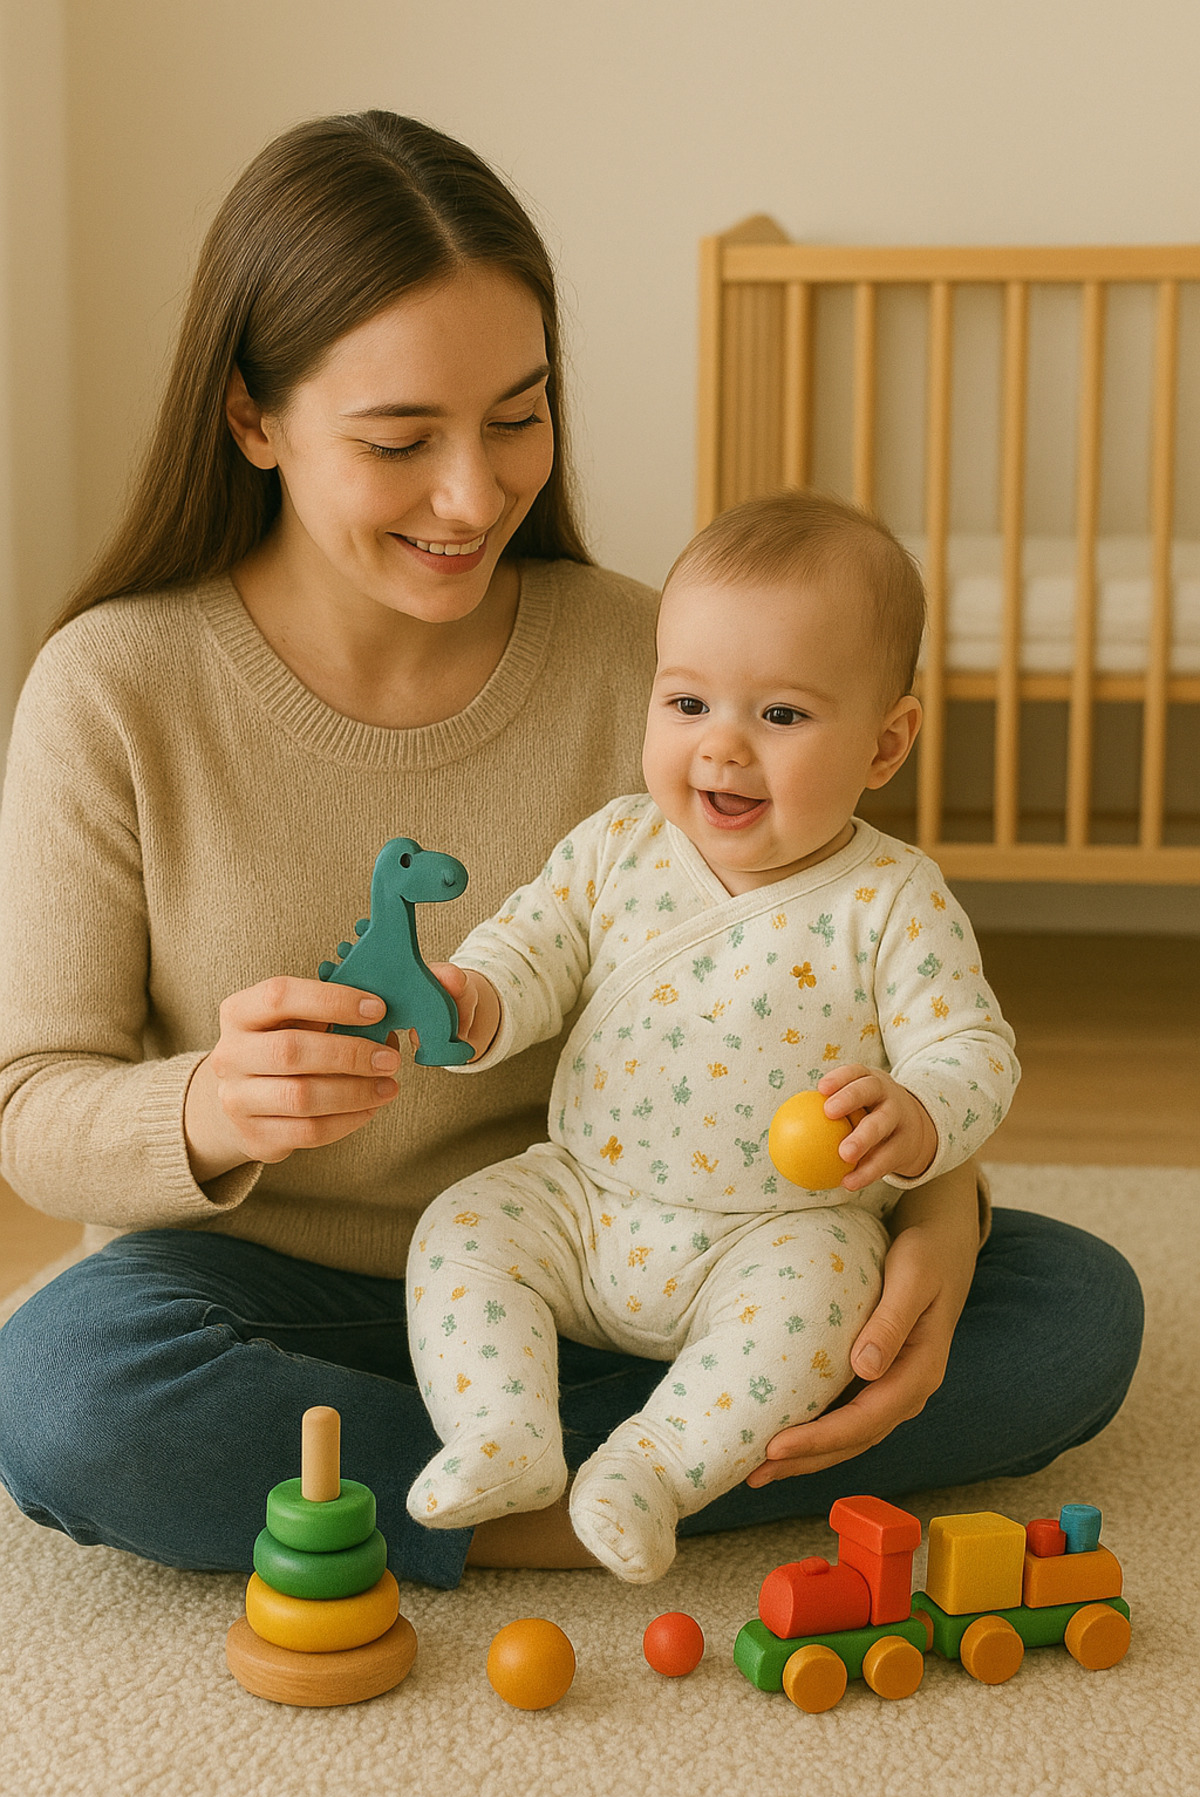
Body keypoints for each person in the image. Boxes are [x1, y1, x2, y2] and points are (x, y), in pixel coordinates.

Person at [0, 112, 1142, 1591]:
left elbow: (858, 986)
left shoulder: (653, 669)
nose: (475, 495)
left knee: (1072, 1310)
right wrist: (213, 1107)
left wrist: (936, 1219)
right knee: (72, 1391)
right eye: (402, 440)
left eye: (519, 415)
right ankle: (612, 1481)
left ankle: (464, 1491)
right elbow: (33, 1105)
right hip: (281, 1285)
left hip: (659, 1245)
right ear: (252, 417)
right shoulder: (115, 690)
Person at [402, 491, 1020, 1582]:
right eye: (686, 702)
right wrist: (474, 1001)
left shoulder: (889, 899)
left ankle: (654, 1466)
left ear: (886, 743)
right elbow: (531, 946)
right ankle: (503, 1433)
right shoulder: (618, 845)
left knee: (828, 1296)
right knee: (463, 1229)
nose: (722, 747)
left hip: (775, 1233)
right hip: (586, 1198)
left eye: (780, 717)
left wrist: (921, 1116)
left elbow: (972, 1049)